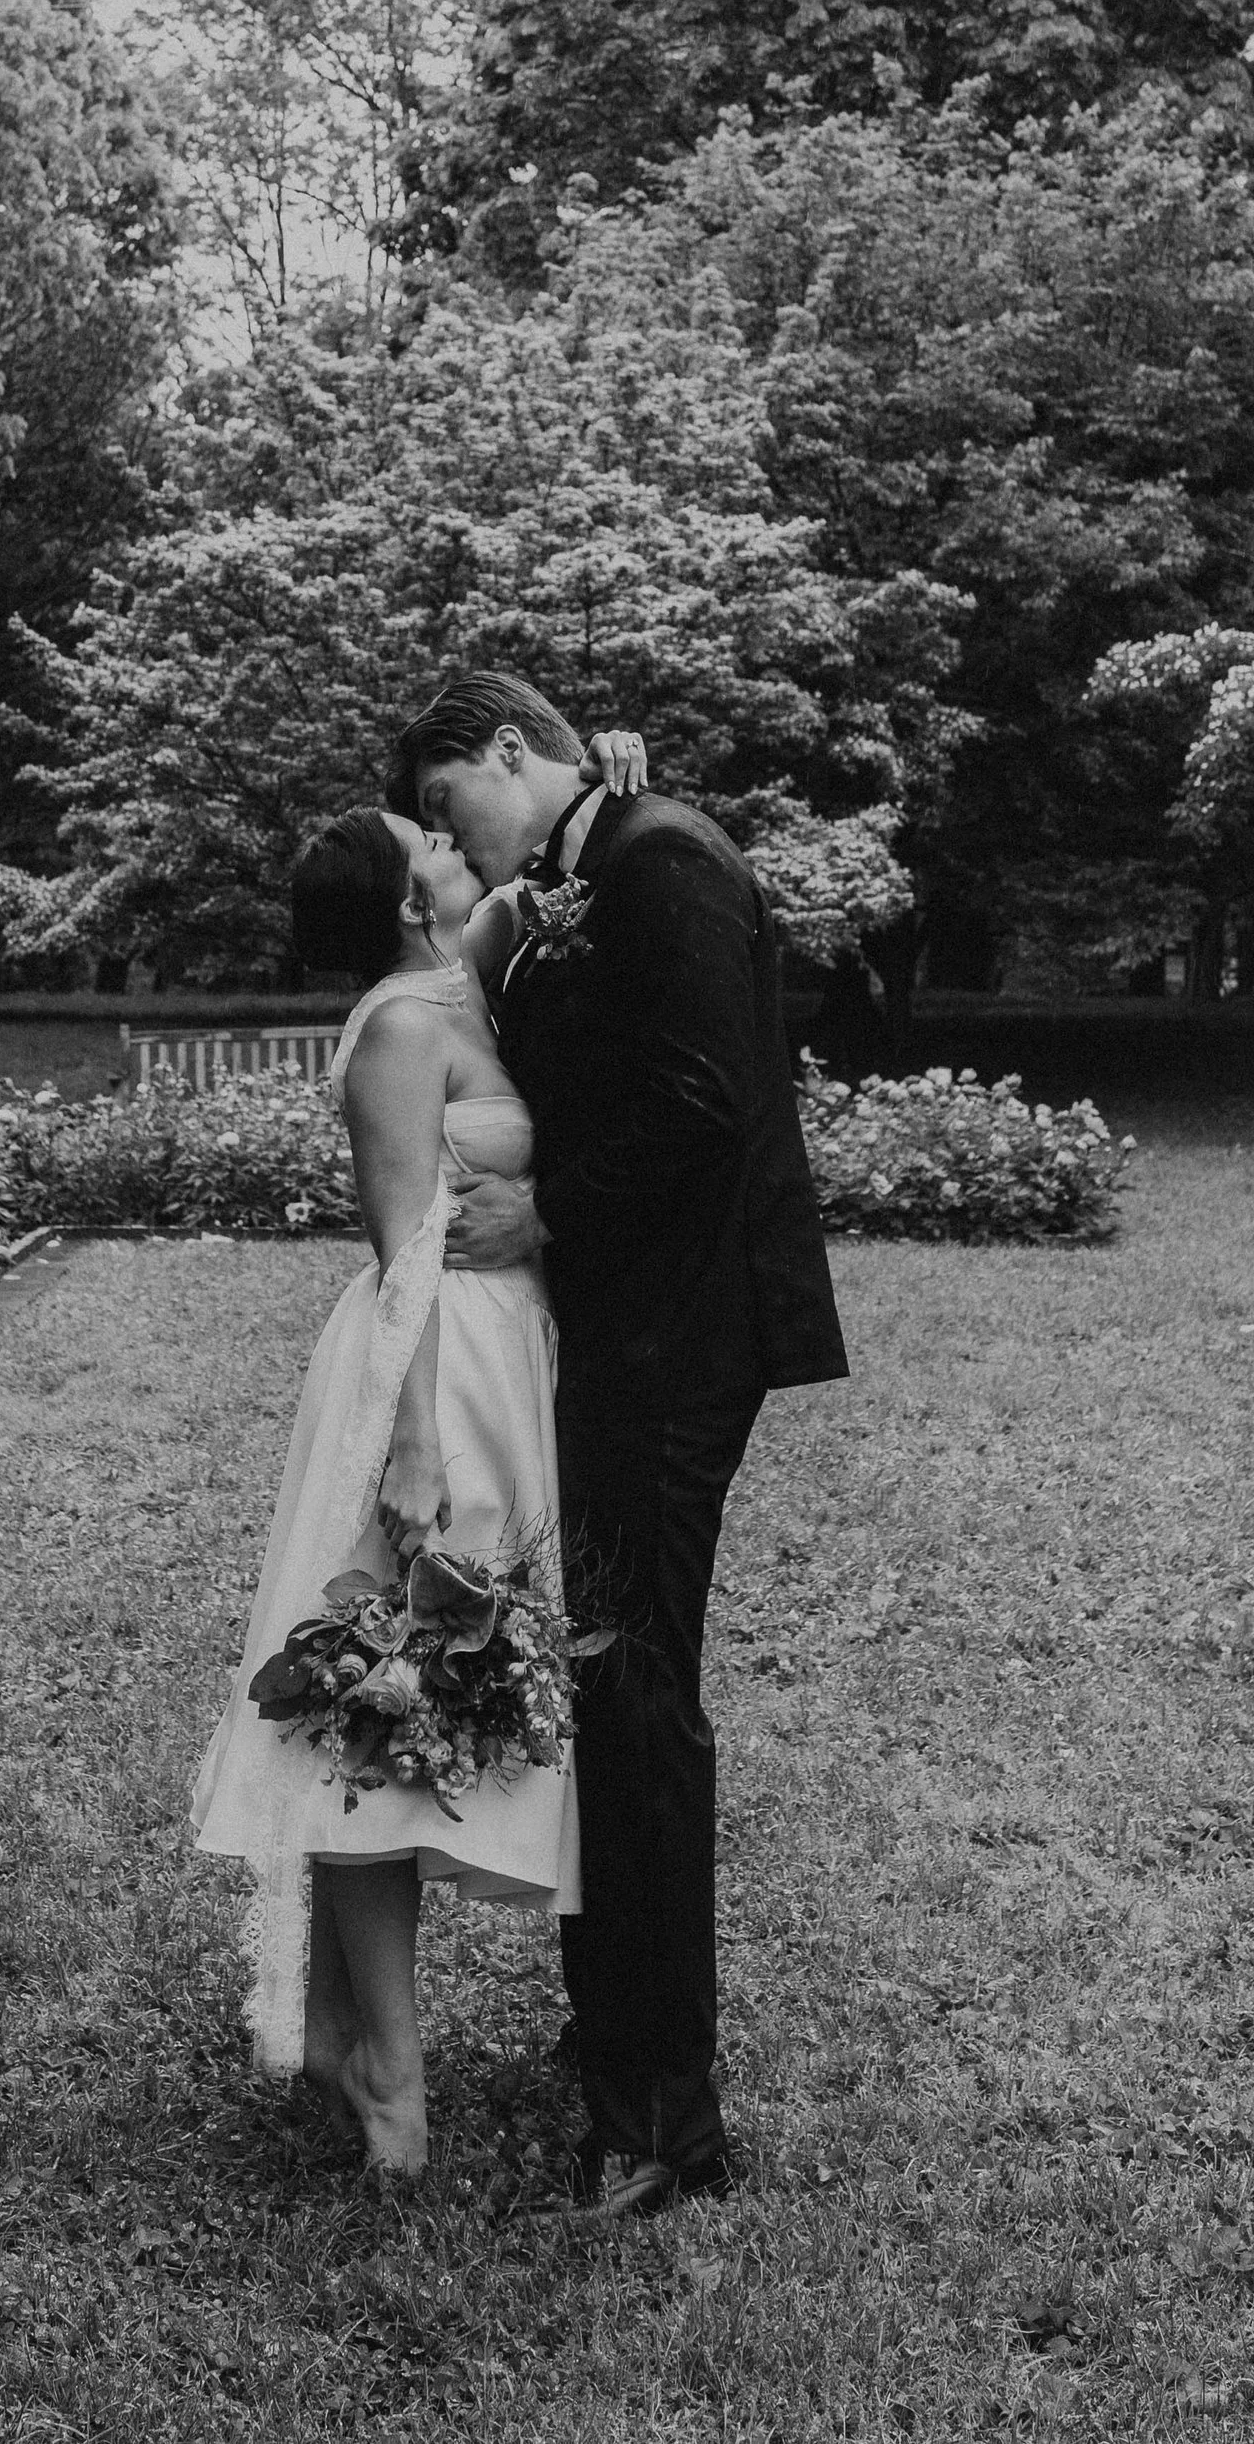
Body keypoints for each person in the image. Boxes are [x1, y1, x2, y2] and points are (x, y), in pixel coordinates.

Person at [392, 669, 848, 2217]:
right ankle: (619, 2036)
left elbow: (707, 1098)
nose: (460, 836)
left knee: (638, 1698)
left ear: (507, 752)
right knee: (601, 1675)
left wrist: (550, 1207)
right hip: (616, 1337)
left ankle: (667, 2124)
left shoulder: (665, 860)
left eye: (455, 802)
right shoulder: (584, 870)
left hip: (676, 1340)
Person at [188, 733, 647, 2175]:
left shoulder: (481, 966)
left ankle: (350, 2027)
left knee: (433, 1691)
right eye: (430, 836)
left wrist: (614, 774)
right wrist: (412, 1454)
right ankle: (385, 2058)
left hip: (509, 1359)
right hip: (428, 1371)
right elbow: (400, 1255)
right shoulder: (399, 1025)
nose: (454, 837)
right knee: (384, 1706)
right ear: (405, 895)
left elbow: (568, 855)